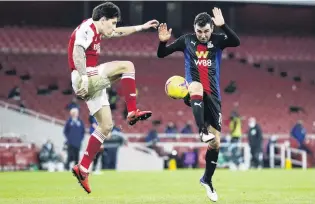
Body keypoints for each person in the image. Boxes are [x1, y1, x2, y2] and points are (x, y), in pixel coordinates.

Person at [68, 2, 159, 193]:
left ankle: (83, 168)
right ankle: (132, 110)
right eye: (112, 23)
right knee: (128, 66)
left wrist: (141, 27)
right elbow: (78, 53)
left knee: (106, 126)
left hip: (89, 79)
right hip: (84, 75)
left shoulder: (98, 29)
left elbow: (117, 32)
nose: (114, 27)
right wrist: (84, 79)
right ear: (102, 20)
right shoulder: (87, 28)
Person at [157, 8, 240, 202]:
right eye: (199, 31)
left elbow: (236, 41)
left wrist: (223, 26)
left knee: (216, 142)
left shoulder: (218, 39)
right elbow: (162, 54)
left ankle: (207, 180)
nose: (202, 35)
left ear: (211, 28)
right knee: (195, 86)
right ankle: (201, 129)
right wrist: (162, 41)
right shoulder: (186, 40)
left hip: (214, 97)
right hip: (192, 90)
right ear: (194, 29)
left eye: (206, 31)